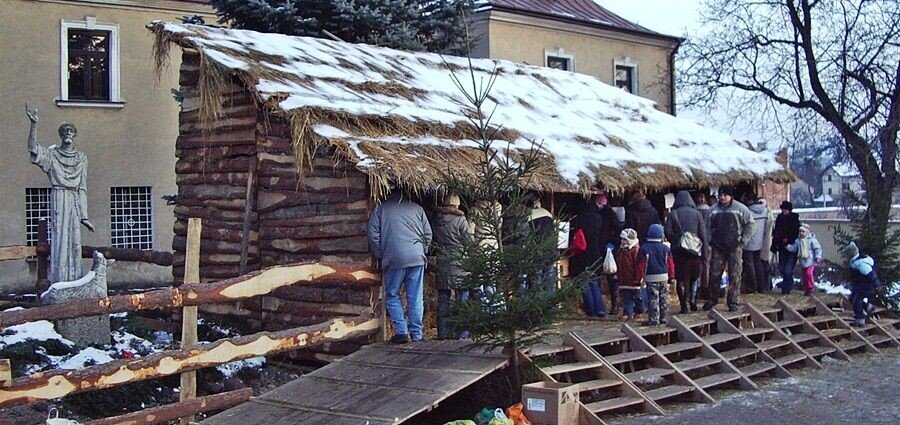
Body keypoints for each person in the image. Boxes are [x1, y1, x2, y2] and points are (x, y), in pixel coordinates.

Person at [26, 105, 95, 284]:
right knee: (59, 240)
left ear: (75, 134)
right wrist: (34, 124)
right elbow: (33, 149)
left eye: (71, 131)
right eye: (65, 131)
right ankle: (59, 282)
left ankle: (75, 282)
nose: (68, 133)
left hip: (73, 200)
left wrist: (84, 216)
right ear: (61, 134)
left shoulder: (81, 158)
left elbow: (82, 186)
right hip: (59, 197)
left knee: (74, 241)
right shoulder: (52, 154)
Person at [368, 188, 433, 344]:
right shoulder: (417, 208)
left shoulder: (380, 209)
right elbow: (428, 234)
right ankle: (417, 335)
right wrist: (422, 251)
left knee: (391, 295)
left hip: (394, 257)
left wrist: (381, 255)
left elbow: (373, 235)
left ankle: (402, 331)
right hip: (417, 258)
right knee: (415, 297)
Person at [569, 182, 620, 317]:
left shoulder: (577, 219)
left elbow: (572, 238)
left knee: (584, 282)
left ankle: (591, 310)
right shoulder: (598, 218)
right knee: (595, 282)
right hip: (596, 252)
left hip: (582, 254)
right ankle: (600, 309)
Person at [703, 185, 755, 312]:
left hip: (735, 247)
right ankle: (712, 299)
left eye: (725, 195)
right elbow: (706, 227)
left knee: (735, 274)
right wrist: (710, 240)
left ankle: (733, 301)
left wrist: (743, 241)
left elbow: (751, 225)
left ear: (730, 196)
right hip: (718, 247)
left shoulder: (741, 209)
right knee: (714, 274)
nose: (722, 197)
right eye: (720, 195)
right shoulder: (712, 210)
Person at [431, 194, 470, 339]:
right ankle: (463, 333)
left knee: (443, 299)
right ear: (457, 205)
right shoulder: (460, 219)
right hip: (459, 259)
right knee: (462, 298)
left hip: (443, 259)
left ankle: (443, 333)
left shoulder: (436, 219)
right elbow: (468, 241)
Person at [664, 190, 707, 313]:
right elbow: (703, 234)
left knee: (681, 278)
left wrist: (677, 240)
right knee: (694, 277)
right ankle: (692, 300)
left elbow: (667, 232)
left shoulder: (673, 214)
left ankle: (683, 305)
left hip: (679, 252)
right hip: (694, 252)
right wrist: (704, 252)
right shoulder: (697, 214)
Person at [636, 224, 675, 326]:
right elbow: (670, 264)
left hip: (651, 277)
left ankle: (654, 319)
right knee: (663, 298)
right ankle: (663, 317)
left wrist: (638, 278)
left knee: (653, 299)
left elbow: (641, 265)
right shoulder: (665, 248)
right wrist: (671, 276)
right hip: (664, 276)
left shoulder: (644, 248)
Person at [840, 242, 881, 327]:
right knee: (851, 298)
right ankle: (868, 307)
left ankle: (860, 319)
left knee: (856, 301)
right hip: (859, 286)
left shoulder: (861, 264)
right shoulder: (855, 261)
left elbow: (872, 275)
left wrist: (877, 286)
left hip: (866, 286)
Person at [742, 193, 774, 293]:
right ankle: (762, 287)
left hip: (749, 242)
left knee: (749, 265)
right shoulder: (765, 211)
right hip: (760, 242)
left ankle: (752, 287)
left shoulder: (747, 211)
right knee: (758, 264)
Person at [527, 196, 558, 293]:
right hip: (550, 250)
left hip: (537, 252)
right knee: (550, 279)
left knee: (537, 281)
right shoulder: (547, 213)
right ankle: (551, 303)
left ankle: (538, 302)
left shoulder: (529, 216)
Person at [771, 201, 801, 294]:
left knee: (788, 269)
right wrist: (774, 245)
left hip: (792, 247)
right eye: (783, 209)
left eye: (786, 209)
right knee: (782, 268)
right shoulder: (780, 218)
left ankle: (786, 289)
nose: (784, 211)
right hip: (781, 247)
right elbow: (776, 232)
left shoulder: (794, 219)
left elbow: (796, 233)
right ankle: (788, 283)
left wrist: (788, 239)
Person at [785, 223, 823, 296]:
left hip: (811, 260)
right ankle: (806, 289)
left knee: (809, 273)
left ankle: (811, 287)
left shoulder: (812, 240)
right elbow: (794, 248)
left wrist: (818, 257)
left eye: (803, 231)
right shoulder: (798, 241)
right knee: (805, 276)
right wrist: (788, 247)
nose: (801, 233)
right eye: (800, 231)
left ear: (807, 232)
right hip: (803, 262)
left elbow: (817, 249)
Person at [616, 228, 642, 320]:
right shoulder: (621, 250)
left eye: (624, 239)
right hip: (624, 277)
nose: (622, 242)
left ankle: (639, 310)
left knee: (637, 296)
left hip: (633, 277)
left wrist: (638, 277)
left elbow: (638, 265)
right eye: (622, 239)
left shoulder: (635, 250)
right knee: (627, 296)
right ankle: (627, 312)